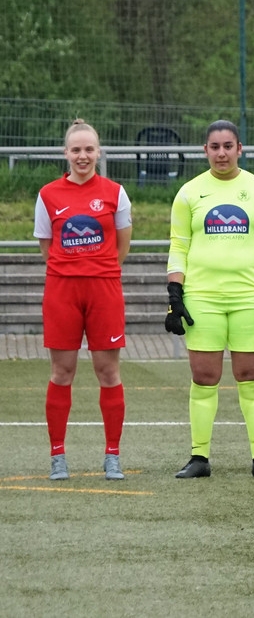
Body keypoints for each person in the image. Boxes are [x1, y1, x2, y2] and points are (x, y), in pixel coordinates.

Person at [166, 120, 254, 479]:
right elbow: (179, 245)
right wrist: (175, 295)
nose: (221, 153)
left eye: (228, 146)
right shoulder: (189, 193)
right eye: (215, 147)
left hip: (250, 297)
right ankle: (199, 457)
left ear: (239, 149)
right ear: (205, 150)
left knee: (250, 375)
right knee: (204, 377)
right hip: (202, 298)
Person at [34, 119, 132, 481]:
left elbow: (122, 244)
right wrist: (72, 269)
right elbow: (47, 246)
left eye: (89, 149)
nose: (83, 156)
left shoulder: (115, 193)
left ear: (98, 152)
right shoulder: (48, 195)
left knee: (108, 372)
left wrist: (98, 269)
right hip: (62, 291)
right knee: (62, 372)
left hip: (104, 289)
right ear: (66, 153)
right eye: (76, 150)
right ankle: (57, 456)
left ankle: (112, 456)